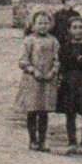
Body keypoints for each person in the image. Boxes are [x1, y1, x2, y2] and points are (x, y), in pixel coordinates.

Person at [17, 10, 61, 151]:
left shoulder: (53, 41)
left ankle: (42, 141)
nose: (43, 26)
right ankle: (32, 140)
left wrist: (52, 72)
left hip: (47, 80)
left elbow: (57, 60)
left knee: (44, 111)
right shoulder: (29, 40)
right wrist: (33, 70)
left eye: (46, 23)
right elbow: (23, 60)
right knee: (32, 110)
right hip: (32, 80)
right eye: (40, 23)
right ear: (33, 24)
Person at [56, 14, 82, 154]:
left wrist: (79, 61)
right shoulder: (64, 47)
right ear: (69, 30)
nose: (78, 30)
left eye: (81, 27)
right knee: (70, 113)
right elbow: (64, 64)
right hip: (69, 83)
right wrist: (78, 60)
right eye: (74, 28)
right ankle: (72, 142)